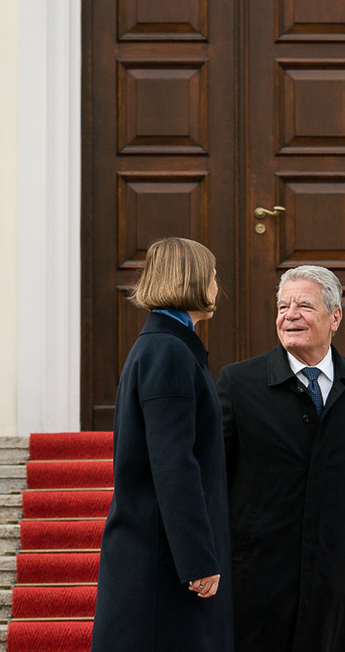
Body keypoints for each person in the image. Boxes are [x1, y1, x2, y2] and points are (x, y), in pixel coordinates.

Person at [216, 265, 345, 652]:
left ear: (334, 316)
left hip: (330, 571)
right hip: (255, 571)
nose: (289, 314)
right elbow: (212, 480)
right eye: (283, 305)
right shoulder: (237, 384)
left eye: (304, 305)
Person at [90, 237, 233, 652]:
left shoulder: (165, 346)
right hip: (162, 564)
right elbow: (173, 463)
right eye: (212, 275)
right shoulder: (169, 351)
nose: (216, 286)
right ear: (189, 279)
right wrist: (198, 559)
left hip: (158, 556)